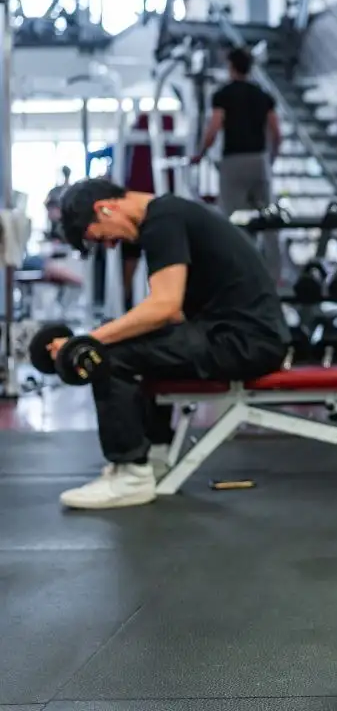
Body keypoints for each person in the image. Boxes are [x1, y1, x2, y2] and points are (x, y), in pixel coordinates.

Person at [51, 179, 289, 510]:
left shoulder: (163, 220)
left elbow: (165, 307)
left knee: (109, 355)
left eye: (100, 236)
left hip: (244, 341)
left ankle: (131, 476)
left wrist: (87, 340)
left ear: (105, 208)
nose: (110, 245)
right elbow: (170, 314)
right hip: (239, 335)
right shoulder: (169, 214)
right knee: (133, 343)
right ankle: (154, 456)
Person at [192, 47, 283, 281]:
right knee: (268, 219)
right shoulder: (263, 95)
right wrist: (270, 159)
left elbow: (214, 128)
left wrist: (200, 153)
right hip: (259, 161)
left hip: (234, 161)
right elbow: (276, 132)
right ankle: (275, 275)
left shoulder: (223, 95)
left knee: (233, 219)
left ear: (231, 66)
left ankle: (239, 275)